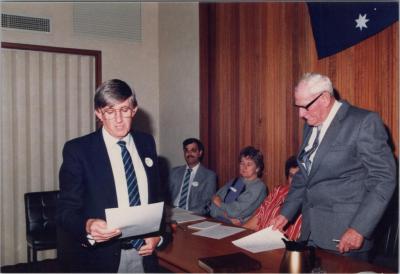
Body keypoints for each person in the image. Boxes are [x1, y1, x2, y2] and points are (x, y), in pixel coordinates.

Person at [271, 73, 396, 260]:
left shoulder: (363, 122)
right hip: (311, 232)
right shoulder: (311, 125)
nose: (300, 115)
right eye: (297, 107)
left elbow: (383, 179)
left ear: (324, 98)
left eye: (305, 106)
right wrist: (286, 213)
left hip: (346, 236)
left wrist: (359, 228)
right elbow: (305, 175)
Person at [56, 79, 169, 272]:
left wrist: (159, 235)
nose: (118, 119)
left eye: (124, 110)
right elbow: (65, 210)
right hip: (100, 258)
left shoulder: (146, 143)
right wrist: (88, 225)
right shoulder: (78, 150)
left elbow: (156, 199)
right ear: (98, 114)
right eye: (110, 111)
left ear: (134, 110)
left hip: (144, 255)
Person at [235, 155, 302, 240]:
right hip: (258, 240)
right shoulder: (278, 191)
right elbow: (257, 218)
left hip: (282, 247)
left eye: (299, 177)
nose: (295, 181)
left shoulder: (309, 204)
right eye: (291, 176)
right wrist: (238, 235)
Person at [210, 146, 267, 224]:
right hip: (220, 223)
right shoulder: (235, 181)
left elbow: (235, 212)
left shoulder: (259, 187)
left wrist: (220, 204)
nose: (244, 167)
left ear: (257, 168)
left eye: (249, 164)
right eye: (242, 163)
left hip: (243, 229)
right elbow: (212, 206)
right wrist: (228, 217)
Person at [167, 138, 217, 215]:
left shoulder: (209, 176)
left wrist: (186, 214)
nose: (189, 153)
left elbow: (207, 204)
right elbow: (165, 195)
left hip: (192, 215)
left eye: (193, 150)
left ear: (200, 153)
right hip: (171, 213)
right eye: (186, 150)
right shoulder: (174, 172)